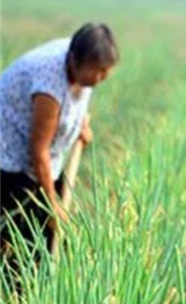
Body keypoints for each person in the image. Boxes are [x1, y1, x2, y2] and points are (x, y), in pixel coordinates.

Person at [1, 23, 119, 270]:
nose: (99, 78)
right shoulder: (49, 86)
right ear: (74, 61)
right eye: (95, 72)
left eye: (104, 71)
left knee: (50, 236)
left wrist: (80, 123)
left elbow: (77, 98)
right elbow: (38, 151)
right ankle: (20, 299)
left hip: (43, 158)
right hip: (10, 157)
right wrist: (52, 205)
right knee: (24, 243)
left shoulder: (81, 61)